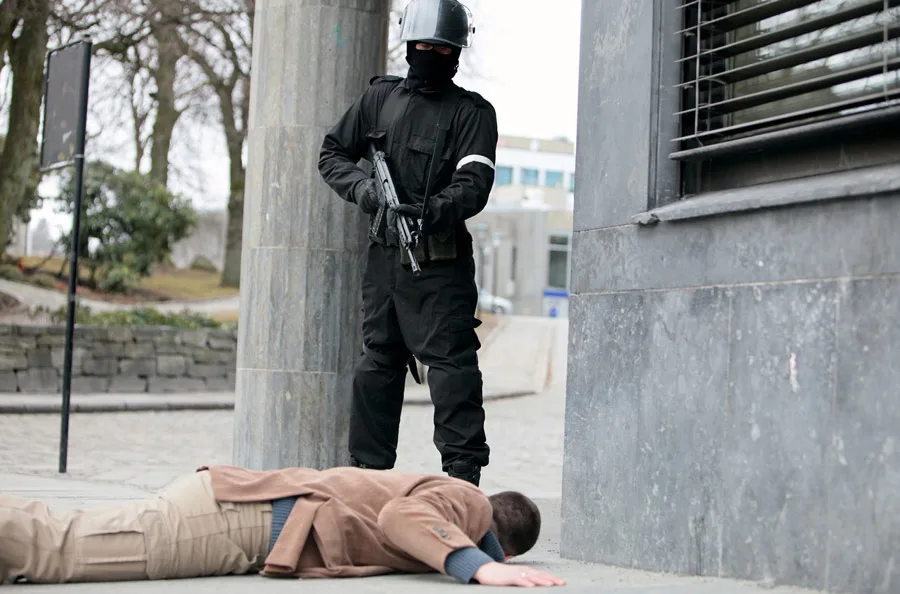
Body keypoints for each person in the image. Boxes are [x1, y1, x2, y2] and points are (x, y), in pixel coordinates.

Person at [318, 0, 498, 488]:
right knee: (376, 366)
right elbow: (332, 154)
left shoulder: (472, 114)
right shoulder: (379, 99)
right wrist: (364, 190)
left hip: (439, 266)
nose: (432, 55)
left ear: (457, 51)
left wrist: (427, 211)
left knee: (453, 370)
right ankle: (366, 480)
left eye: (444, 49)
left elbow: (474, 186)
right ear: (408, 44)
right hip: (384, 263)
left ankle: (462, 481)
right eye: (423, 46)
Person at [0, 465, 565, 588]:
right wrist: (478, 566)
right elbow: (401, 517)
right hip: (235, 521)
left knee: (63, 535)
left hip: (236, 515)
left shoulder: (457, 502)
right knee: (61, 549)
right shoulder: (468, 503)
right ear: (510, 553)